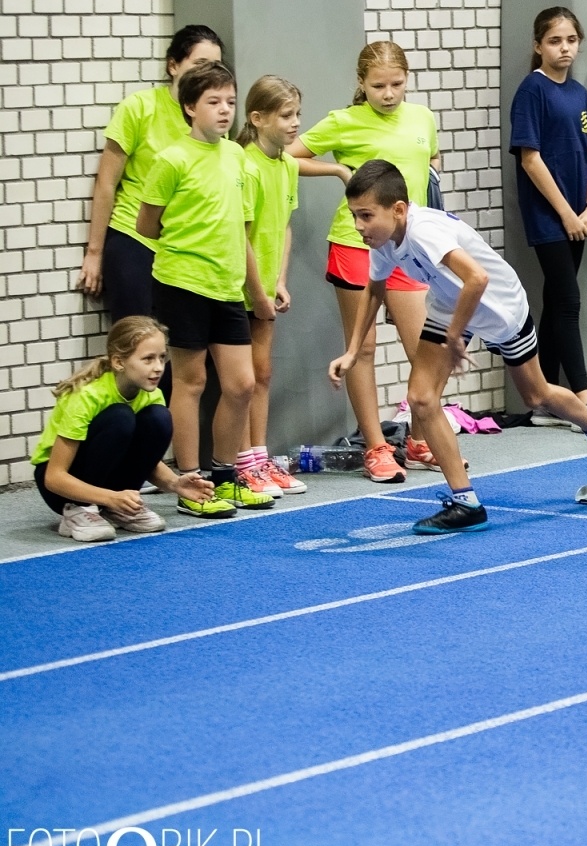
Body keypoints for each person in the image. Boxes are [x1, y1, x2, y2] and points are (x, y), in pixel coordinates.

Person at [329, 160, 587, 535]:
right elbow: (374, 290)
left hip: (499, 307)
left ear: (398, 210)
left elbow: (477, 278)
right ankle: (466, 502)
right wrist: (353, 351)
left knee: (536, 396)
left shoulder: (423, 232)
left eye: (366, 216)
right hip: (451, 305)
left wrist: (454, 336)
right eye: (355, 216)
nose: (359, 226)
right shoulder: (385, 240)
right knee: (421, 398)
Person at [289, 41, 441, 482]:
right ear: (361, 83)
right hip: (354, 244)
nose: (389, 93)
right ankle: (376, 447)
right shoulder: (343, 122)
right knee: (365, 347)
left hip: (408, 248)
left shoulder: (422, 118)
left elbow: (429, 160)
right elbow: (287, 156)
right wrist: (337, 172)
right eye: (378, 86)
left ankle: (418, 438)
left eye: (397, 84)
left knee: (424, 350)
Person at [135, 60, 275, 515]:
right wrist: (189, 247)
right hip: (182, 284)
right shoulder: (171, 159)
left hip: (227, 287)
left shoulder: (237, 157)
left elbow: (241, 231)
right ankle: (191, 484)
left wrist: (257, 293)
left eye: (230, 102)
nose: (224, 110)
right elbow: (147, 225)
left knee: (241, 384)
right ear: (190, 107)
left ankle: (226, 475)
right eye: (213, 102)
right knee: (191, 382)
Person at [79, 26, 225, 365]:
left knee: (173, 357)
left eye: (215, 66)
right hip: (134, 240)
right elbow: (105, 183)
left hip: (181, 249)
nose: (207, 73)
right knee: (136, 349)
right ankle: (125, 418)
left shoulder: (210, 117)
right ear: (173, 65)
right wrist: (94, 252)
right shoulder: (139, 108)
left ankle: (162, 420)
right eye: (199, 62)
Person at [33, 317, 218, 541]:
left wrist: (174, 483)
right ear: (119, 362)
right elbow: (54, 477)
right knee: (120, 417)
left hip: (104, 486)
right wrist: (109, 496)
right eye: (148, 359)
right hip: (59, 488)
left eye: (162, 357)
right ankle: (80, 509)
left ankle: (120, 509)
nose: (158, 367)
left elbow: (140, 457)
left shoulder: (152, 395)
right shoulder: (87, 396)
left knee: (159, 418)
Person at [510, 6, 587, 425]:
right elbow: (531, 159)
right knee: (568, 300)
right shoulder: (532, 91)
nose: (564, 48)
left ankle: (545, 399)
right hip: (550, 216)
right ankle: (583, 395)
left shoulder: (580, 92)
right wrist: (567, 213)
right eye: (554, 41)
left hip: (578, 213)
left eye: (570, 40)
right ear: (538, 46)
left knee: (555, 300)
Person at [233, 75, 307, 497]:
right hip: (238, 288)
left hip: (264, 290)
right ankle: (242, 463)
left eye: (297, 114)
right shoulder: (244, 164)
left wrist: (278, 280)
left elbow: (283, 227)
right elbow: (240, 233)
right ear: (258, 118)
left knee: (263, 373)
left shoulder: (288, 165)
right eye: (286, 115)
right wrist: (257, 291)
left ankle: (260, 457)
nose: (295, 123)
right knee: (241, 381)